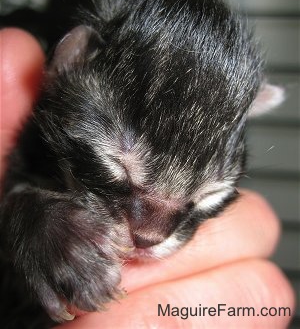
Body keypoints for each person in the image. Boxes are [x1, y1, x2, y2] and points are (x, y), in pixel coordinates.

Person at [0, 28, 295, 328]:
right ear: (73, 62)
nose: (153, 235)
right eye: (121, 164)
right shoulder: (29, 147)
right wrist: (33, 220)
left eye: (205, 195)